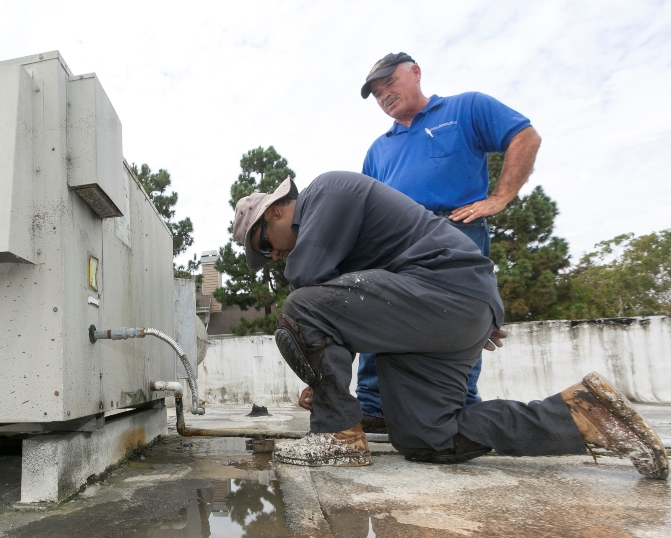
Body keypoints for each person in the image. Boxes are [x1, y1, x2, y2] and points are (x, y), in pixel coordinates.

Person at [229, 173, 667, 480]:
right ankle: (585, 417)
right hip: (445, 312)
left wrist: (331, 399)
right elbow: (351, 309)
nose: (273, 257)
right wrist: (328, 380)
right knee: (430, 440)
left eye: (264, 247)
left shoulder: (328, 190)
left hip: (444, 295)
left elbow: (309, 290)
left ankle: (336, 437)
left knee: (300, 307)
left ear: (275, 213)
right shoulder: (344, 242)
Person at [355, 52, 542, 434]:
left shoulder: (465, 107)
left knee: (462, 319)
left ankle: (458, 404)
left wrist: (500, 197)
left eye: (389, 83)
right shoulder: (378, 149)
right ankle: (373, 406)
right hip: (395, 243)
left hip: (454, 231)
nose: (384, 95)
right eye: (376, 93)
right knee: (376, 312)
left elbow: (525, 136)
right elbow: (365, 208)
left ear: (415, 73)